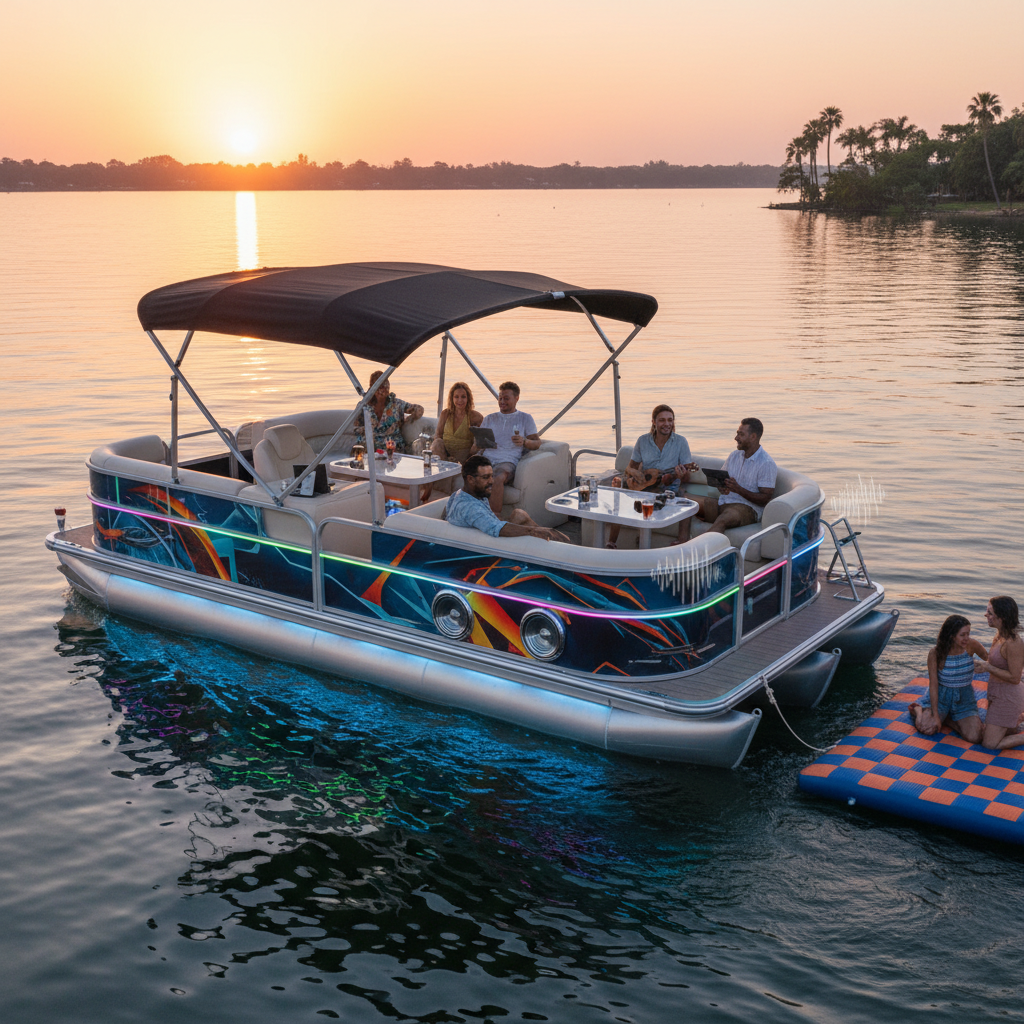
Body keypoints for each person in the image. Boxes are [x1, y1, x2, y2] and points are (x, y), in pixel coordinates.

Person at [607, 404, 698, 548]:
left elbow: (686, 478)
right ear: (654, 422)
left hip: (668, 489)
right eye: (662, 420)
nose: (667, 424)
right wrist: (636, 472)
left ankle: (679, 543)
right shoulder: (643, 441)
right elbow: (629, 468)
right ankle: (611, 543)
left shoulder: (681, 442)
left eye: (670, 420)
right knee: (619, 495)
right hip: (646, 486)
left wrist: (678, 475)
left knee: (666, 499)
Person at [681, 417, 776, 542]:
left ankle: (698, 550)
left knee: (724, 519)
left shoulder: (766, 463)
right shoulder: (734, 456)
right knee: (685, 501)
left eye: (741, 434)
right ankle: (681, 541)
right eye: (737, 433)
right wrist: (722, 487)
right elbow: (721, 480)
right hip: (723, 502)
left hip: (747, 509)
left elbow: (765, 499)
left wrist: (738, 489)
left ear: (753, 437)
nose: (736, 438)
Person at [445, 455, 568, 541]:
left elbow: (444, 516)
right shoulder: (470, 508)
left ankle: (556, 541)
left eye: (492, 476)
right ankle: (557, 547)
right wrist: (533, 531)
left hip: (484, 534)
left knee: (519, 515)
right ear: (470, 479)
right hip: (494, 546)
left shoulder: (460, 495)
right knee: (537, 531)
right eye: (486, 477)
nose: (492, 481)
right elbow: (497, 529)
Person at [909, 614, 987, 741]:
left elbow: (990, 660)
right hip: (941, 698)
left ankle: (948, 720)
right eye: (962, 635)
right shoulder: (935, 653)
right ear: (951, 636)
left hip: (964, 698)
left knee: (975, 737)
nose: (966, 638)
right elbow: (933, 685)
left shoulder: (972, 645)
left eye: (968, 634)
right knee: (927, 729)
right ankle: (918, 709)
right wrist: (935, 715)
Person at [473, 381, 540, 514]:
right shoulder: (489, 418)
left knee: (497, 477)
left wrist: (524, 441)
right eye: (500, 398)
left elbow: (537, 443)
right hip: (486, 457)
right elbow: (475, 447)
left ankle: (494, 517)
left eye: (506, 398)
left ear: (516, 399)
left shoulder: (525, 418)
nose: (502, 401)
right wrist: (479, 445)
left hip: (507, 461)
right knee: (469, 471)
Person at [975, 596, 1024, 750]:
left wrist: (987, 667)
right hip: (997, 692)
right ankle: (1016, 720)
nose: (986, 615)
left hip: (1008, 697)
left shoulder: (1013, 642)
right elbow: (1000, 665)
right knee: (1004, 731)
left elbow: (1015, 678)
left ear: (1001, 617)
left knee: (989, 743)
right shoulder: (999, 634)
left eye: (990, 612)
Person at [353, 370, 425, 454]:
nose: (384, 388)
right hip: (371, 445)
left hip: (393, 445)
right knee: (358, 450)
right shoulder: (364, 405)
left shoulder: (397, 404)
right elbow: (356, 428)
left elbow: (419, 409)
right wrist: (368, 429)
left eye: (385, 384)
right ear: (373, 388)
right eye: (380, 386)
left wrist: (409, 419)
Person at [431, 381, 483, 466]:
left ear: (468, 398)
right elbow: (438, 435)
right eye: (456, 397)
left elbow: (480, 442)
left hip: (465, 455)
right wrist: (446, 456)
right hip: (445, 455)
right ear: (452, 398)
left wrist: (468, 458)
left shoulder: (475, 416)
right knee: (437, 442)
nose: (460, 400)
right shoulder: (445, 413)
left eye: (463, 397)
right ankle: (443, 469)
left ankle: (463, 467)